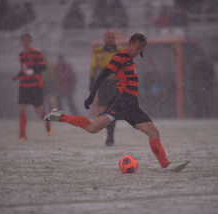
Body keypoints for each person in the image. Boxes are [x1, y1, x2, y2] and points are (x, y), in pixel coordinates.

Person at [44, 33, 188, 173]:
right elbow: (101, 75)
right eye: (137, 48)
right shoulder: (120, 57)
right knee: (93, 128)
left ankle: (166, 166)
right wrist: (91, 96)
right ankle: (61, 116)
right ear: (130, 44)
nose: (138, 52)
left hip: (132, 105)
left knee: (154, 132)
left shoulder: (130, 59)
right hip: (121, 101)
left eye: (141, 50)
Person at [12, 33, 52, 140]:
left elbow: (44, 67)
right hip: (23, 86)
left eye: (27, 40)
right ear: (21, 42)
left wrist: (33, 71)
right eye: (23, 40)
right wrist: (18, 76)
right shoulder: (21, 55)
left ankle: (47, 123)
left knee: (38, 109)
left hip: (35, 85)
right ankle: (22, 134)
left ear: (31, 41)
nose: (25, 42)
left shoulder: (36, 53)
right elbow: (23, 69)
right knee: (22, 108)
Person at [89, 30, 124, 146]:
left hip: (116, 83)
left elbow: (127, 66)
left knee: (112, 110)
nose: (110, 39)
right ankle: (109, 132)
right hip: (103, 84)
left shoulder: (120, 51)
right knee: (102, 111)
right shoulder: (98, 51)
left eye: (112, 37)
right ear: (104, 38)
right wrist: (91, 82)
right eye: (108, 37)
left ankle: (110, 136)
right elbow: (94, 68)